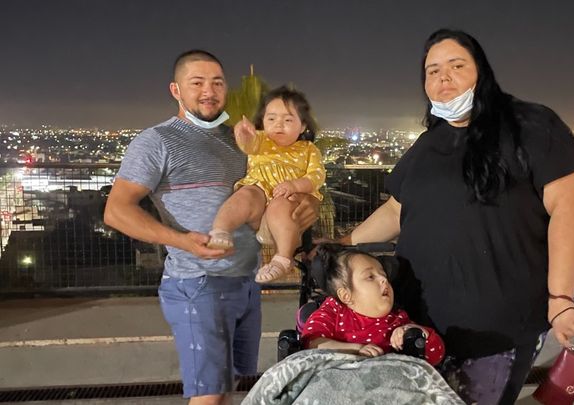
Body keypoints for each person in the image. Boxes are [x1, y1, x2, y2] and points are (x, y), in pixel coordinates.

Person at [339, 29, 574, 404]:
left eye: (457, 66)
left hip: (495, 328)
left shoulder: (529, 125)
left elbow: (570, 206)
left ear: (482, 72)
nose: (443, 77)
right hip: (419, 324)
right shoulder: (429, 143)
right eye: (433, 71)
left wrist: (560, 297)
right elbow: (396, 209)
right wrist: (344, 245)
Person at [103, 50, 318, 405]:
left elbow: (273, 187)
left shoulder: (241, 140)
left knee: (232, 388)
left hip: (246, 282)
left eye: (217, 83)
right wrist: (182, 241)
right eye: (197, 83)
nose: (209, 91)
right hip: (197, 283)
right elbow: (116, 211)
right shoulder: (157, 141)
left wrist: (307, 204)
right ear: (176, 90)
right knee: (209, 396)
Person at [206, 86, 326, 284]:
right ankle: (221, 230)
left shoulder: (308, 149)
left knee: (281, 206)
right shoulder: (261, 140)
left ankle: (283, 258)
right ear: (262, 122)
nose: (278, 124)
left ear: (303, 126)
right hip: (259, 188)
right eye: (271, 119)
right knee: (244, 196)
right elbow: (248, 144)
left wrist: (295, 185)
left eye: (288, 120)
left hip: (286, 196)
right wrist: (243, 133)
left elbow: (316, 176)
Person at [301, 245, 445, 366]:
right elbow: (313, 344)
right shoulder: (333, 311)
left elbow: (436, 356)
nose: (383, 279)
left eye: (384, 275)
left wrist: (417, 333)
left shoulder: (398, 320)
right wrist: (356, 349)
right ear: (346, 295)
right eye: (370, 277)